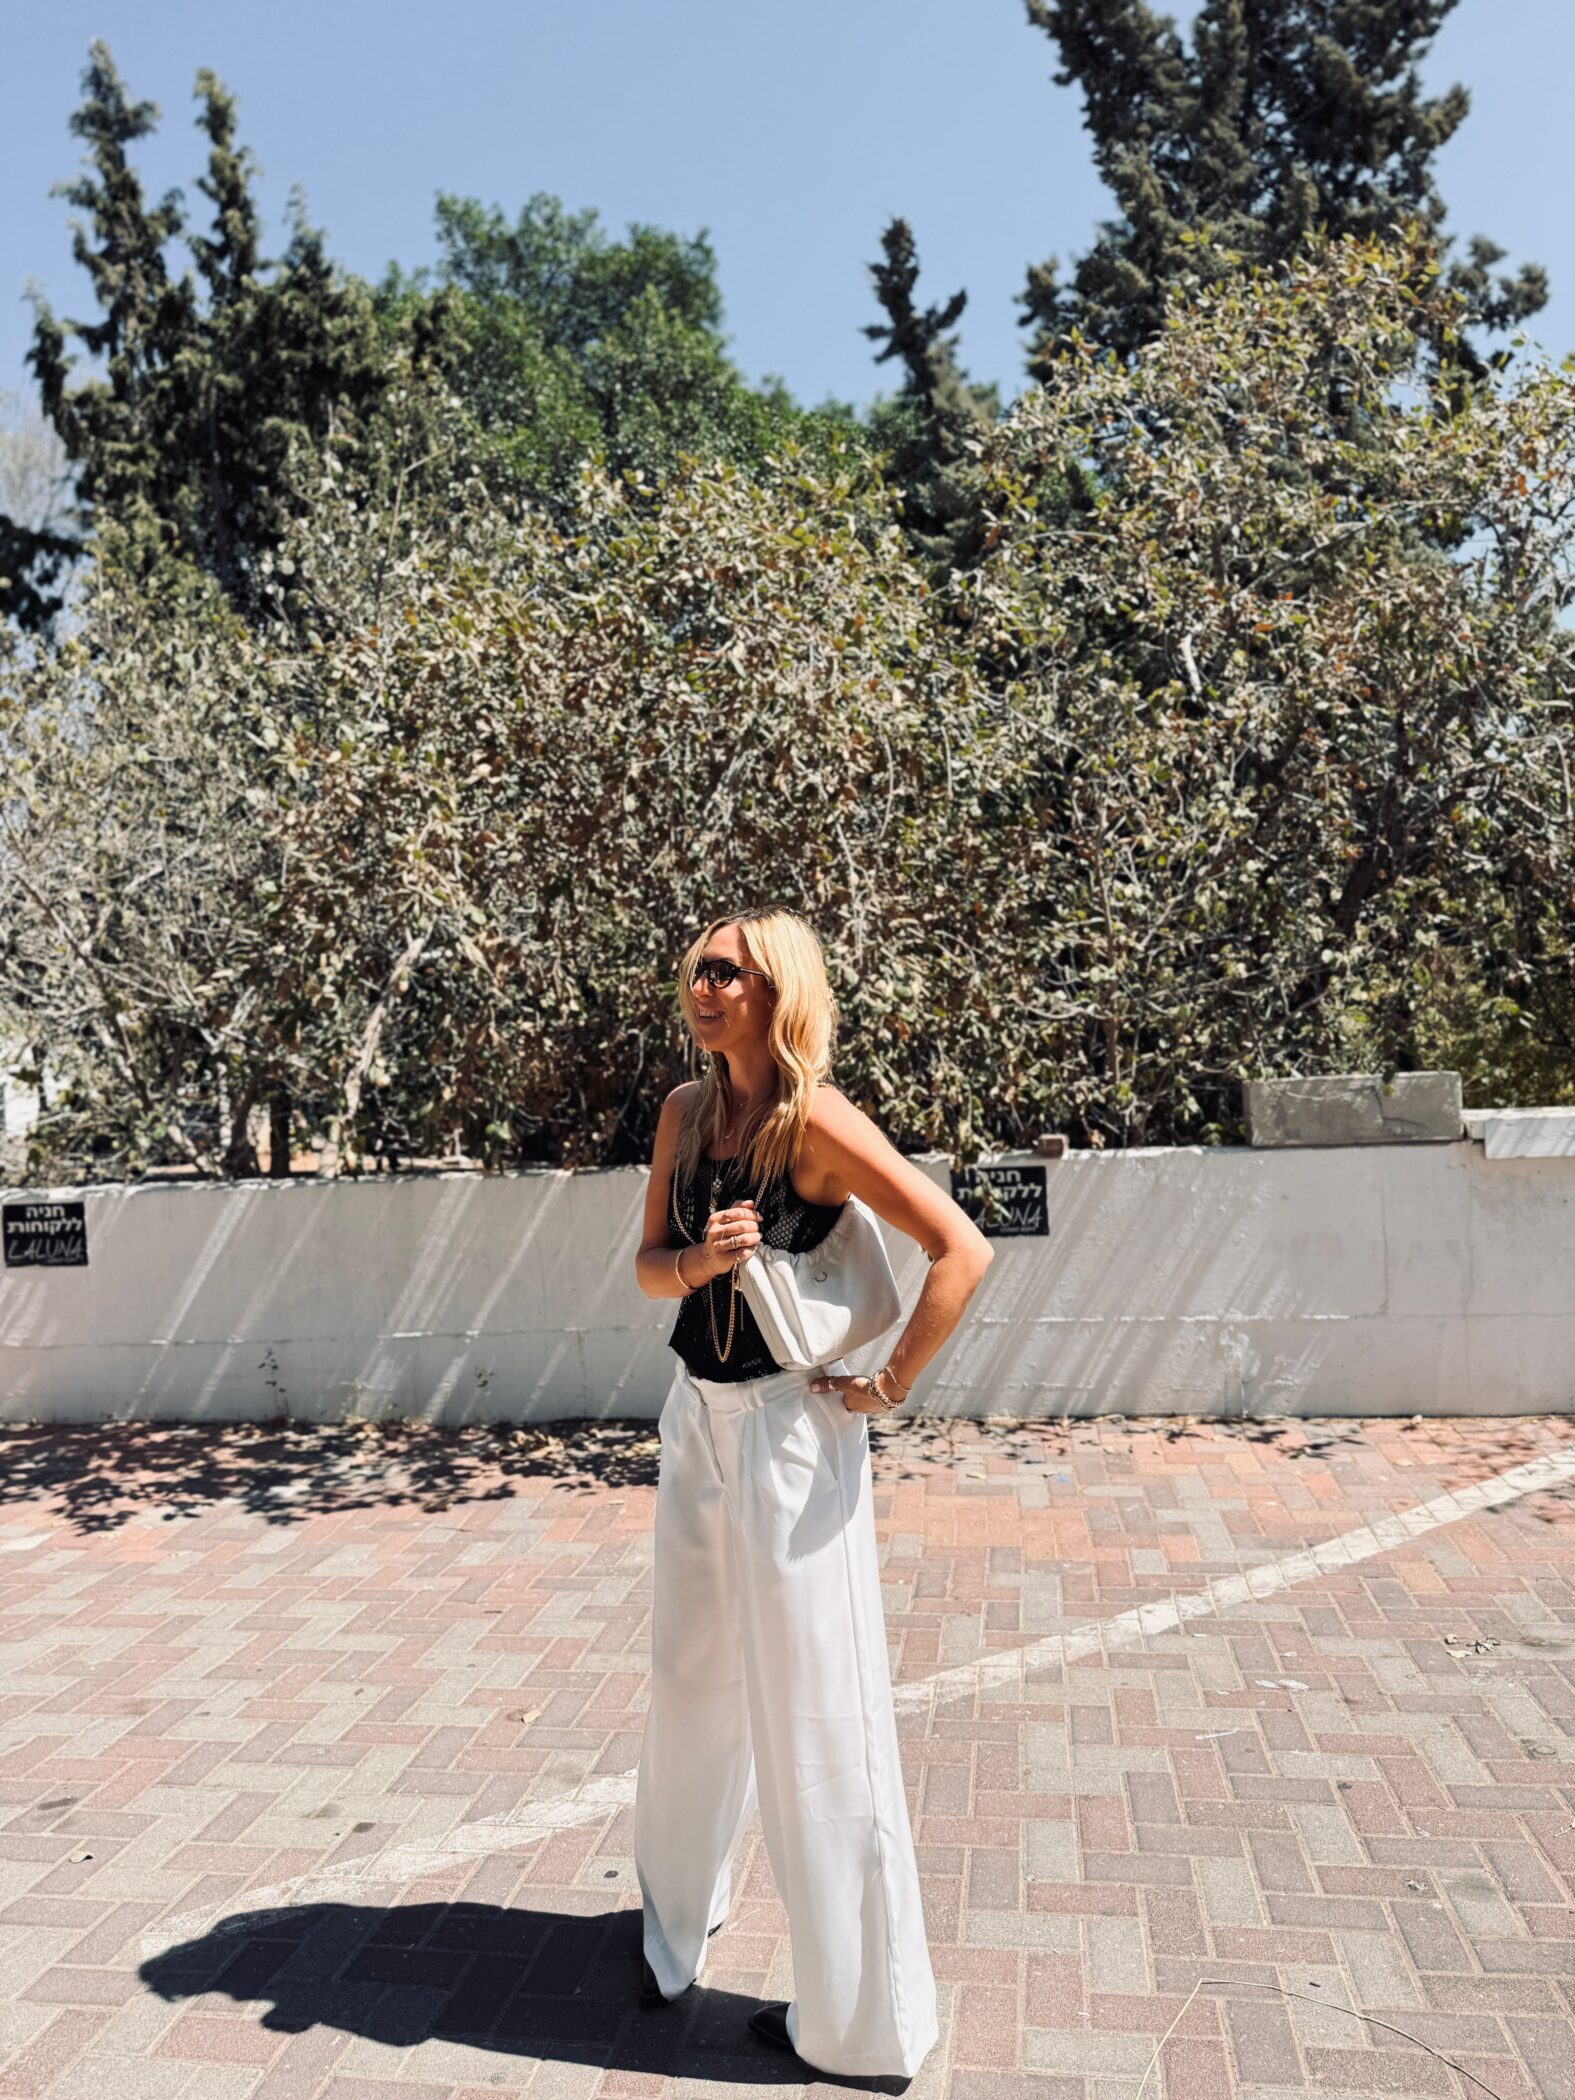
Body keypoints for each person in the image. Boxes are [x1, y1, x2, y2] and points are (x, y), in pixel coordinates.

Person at [631, 904, 993, 2082]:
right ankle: (676, 1921)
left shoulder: (816, 1122)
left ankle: (862, 2025)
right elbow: (648, 1269)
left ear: (776, 990)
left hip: (791, 1432)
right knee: (688, 1675)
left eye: (727, 972)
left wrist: (887, 1384)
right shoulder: (685, 1115)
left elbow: (962, 1248)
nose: (704, 987)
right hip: (697, 1417)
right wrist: (703, 1260)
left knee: (818, 1713)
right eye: (698, 968)